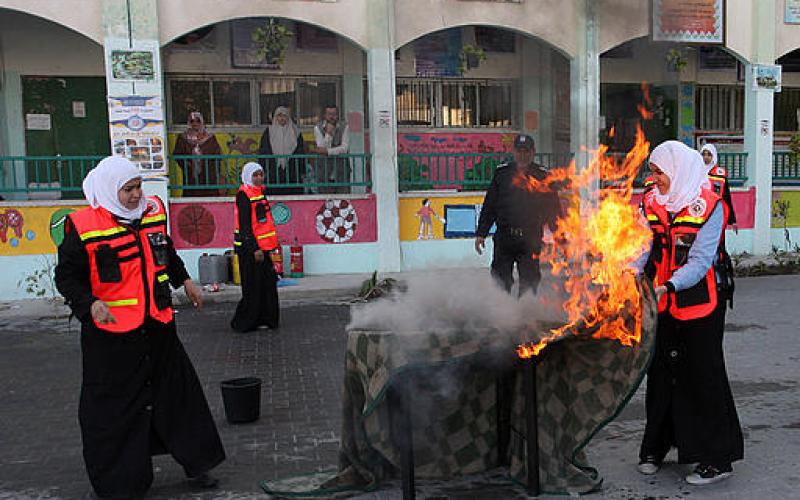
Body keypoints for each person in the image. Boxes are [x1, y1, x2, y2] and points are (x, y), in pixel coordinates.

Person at [54, 157, 225, 499]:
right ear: (109, 190)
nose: (135, 196)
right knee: (116, 410)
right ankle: (120, 482)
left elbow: (166, 253)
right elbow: (67, 276)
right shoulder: (83, 225)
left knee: (178, 397)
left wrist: (186, 281)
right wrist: (89, 304)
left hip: (157, 325)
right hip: (111, 337)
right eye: (127, 190)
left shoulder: (151, 212)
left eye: (138, 188)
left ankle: (197, 462)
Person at [634, 141, 742, 485]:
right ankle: (655, 448)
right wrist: (628, 272)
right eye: (652, 171)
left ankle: (716, 459)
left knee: (703, 376)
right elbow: (642, 246)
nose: (654, 178)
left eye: (658, 172)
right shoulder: (652, 200)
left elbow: (700, 261)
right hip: (663, 303)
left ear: (678, 169)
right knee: (661, 373)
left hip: (700, 302)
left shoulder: (710, 204)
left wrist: (670, 285)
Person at [474, 134, 561, 296]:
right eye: (519, 151)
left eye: (526, 151)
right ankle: (502, 315)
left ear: (533, 152)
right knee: (500, 281)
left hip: (530, 239)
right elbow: (490, 204)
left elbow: (553, 209)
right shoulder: (502, 174)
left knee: (530, 281)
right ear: (514, 152)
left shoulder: (542, 176)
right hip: (505, 238)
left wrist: (560, 236)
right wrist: (481, 233)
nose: (523, 155)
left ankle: (525, 315)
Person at [231, 162, 281, 332]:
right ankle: (245, 321)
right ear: (248, 177)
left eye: (261, 174)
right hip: (250, 250)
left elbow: (263, 222)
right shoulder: (244, 195)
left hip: (262, 248)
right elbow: (245, 226)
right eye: (255, 175)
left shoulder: (259, 192)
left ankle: (266, 318)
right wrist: (254, 249)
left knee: (267, 284)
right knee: (253, 287)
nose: (259, 178)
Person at [172, 111, 224, 197]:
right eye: (192, 121)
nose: (195, 123)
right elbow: (177, 154)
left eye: (198, 121)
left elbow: (217, 154)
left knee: (209, 193)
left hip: (208, 173)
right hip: (190, 173)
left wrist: (206, 162)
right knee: (191, 192)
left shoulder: (210, 138)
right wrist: (189, 164)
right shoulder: (183, 138)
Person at [258, 106, 307, 195]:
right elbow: (263, 150)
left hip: (292, 172)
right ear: (275, 117)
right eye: (279, 115)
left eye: (284, 115)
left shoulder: (296, 132)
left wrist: (302, 171)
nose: (282, 118)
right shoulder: (269, 131)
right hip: (273, 171)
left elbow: (300, 152)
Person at [311, 104, 350, 193]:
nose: (332, 117)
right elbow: (321, 147)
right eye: (329, 114)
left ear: (338, 115)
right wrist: (328, 133)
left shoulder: (345, 127)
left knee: (343, 199)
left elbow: (344, 148)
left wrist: (328, 151)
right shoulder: (318, 128)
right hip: (324, 170)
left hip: (341, 169)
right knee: (325, 199)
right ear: (325, 115)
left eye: (334, 114)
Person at [700, 143, 738, 234]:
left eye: (709, 154)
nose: (706, 157)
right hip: (701, 211)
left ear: (714, 156)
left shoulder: (720, 174)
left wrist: (732, 220)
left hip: (716, 212)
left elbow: (726, 196)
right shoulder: (696, 171)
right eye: (703, 154)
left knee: (717, 238)